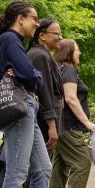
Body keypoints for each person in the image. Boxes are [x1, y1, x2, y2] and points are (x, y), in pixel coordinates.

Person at [0, 0, 57, 188]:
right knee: (18, 170)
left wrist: (29, 75)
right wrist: (32, 76)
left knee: (42, 167)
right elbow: (30, 74)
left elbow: (27, 73)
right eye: (34, 18)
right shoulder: (9, 39)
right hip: (19, 109)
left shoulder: (13, 42)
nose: (36, 23)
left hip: (29, 107)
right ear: (20, 18)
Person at [50, 39, 95, 188]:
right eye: (77, 50)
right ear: (69, 52)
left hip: (59, 126)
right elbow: (71, 98)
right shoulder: (69, 69)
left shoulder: (57, 69)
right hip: (69, 126)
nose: (79, 54)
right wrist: (87, 122)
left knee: (60, 167)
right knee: (82, 162)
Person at [27, 18, 64, 151]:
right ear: (42, 35)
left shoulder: (42, 55)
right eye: (57, 33)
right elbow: (45, 93)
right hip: (42, 124)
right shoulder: (40, 56)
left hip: (41, 121)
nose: (60, 37)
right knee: (41, 169)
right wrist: (52, 127)